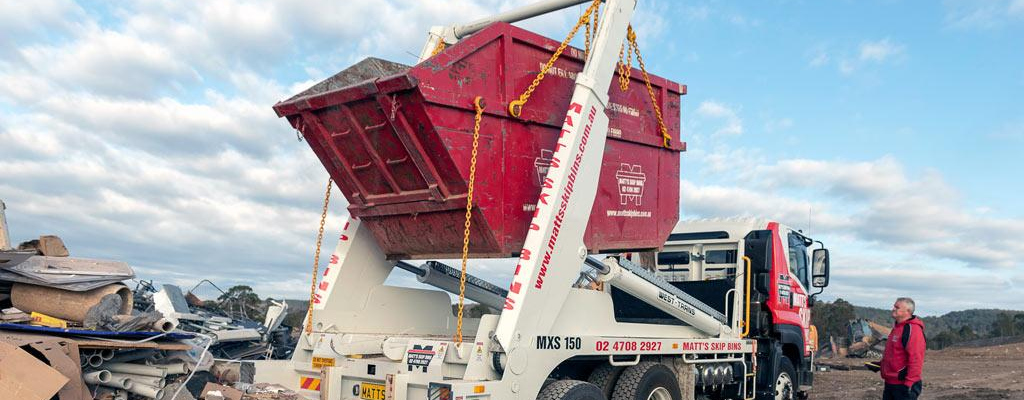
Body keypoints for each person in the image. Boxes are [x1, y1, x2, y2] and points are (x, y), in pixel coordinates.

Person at [880, 297, 926, 400]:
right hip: (890, 383)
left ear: (908, 311)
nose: (893, 309)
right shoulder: (897, 328)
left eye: (897, 307)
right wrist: (880, 365)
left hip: (903, 385)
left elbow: (916, 359)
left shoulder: (913, 330)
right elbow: (895, 354)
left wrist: (909, 384)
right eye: (894, 306)